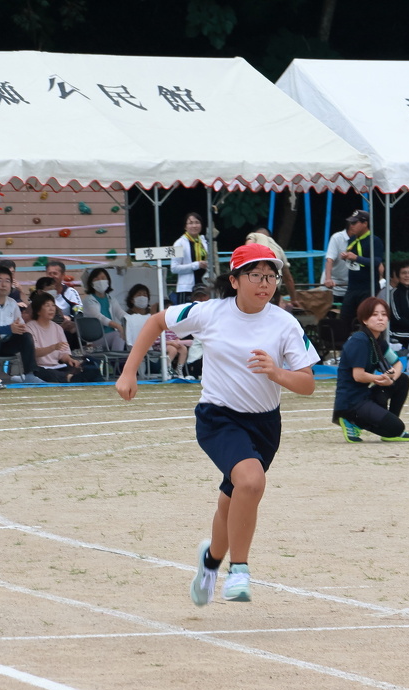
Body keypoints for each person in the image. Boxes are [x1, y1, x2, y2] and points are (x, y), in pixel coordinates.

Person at [115, 243, 319, 605]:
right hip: (219, 417)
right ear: (235, 280)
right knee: (251, 482)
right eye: (255, 275)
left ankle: (209, 563)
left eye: (270, 276)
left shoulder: (284, 323)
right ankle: (239, 570)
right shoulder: (210, 312)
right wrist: (129, 372)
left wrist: (276, 372)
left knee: (232, 501)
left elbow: (307, 384)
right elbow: (156, 321)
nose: (265, 283)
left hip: (265, 425)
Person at [332, 297, 409, 444]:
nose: (380, 318)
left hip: (365, 395)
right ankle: (351, 420)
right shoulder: (359, 340)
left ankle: (391, 425)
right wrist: (380, 379)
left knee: (402, 379)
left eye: (384, 315)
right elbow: (358, 376)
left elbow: (398, 364)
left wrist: (390, 378)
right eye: (374, 314)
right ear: (365, 320)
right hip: (351, 402)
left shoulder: (378, 342)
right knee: (397, 428)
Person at [26, 292, 102, 383]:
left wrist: (69, 360)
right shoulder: (29, 327)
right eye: (47, 305)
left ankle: (72, 377)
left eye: (53, 305)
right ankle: (70, 378)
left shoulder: (57, 328)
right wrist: (53, 347)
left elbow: (63, 353)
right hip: (40, 368)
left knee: (82, 368)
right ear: (38, 310)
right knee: (45, 373)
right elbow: (34, 353)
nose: (51, 309)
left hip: (57, 366)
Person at [336, 209, 383, 334]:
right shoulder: (352, 240)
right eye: (350, 223)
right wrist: (346, 256)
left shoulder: (374, 240)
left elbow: (377, 262)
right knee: (345, 319)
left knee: (366, 320)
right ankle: (345, 343)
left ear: (365, 223)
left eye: (354, 223)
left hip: (368, 287)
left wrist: (357, 258)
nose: (351, 226)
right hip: (352, 287)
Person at [246, 227, 299, 301]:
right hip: (273, 287)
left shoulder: (255, 235)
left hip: (255, 283)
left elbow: (247, 250)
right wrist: (294, 299)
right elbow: (288, 278)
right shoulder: (279, 248)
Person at [82, 267, 127, 351]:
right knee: (118, 335)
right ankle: (117, 359)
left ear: (108, 281)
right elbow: (99, 317)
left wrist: (132, 320)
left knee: (126, 334)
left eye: (103, 278)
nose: (100, 281)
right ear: (91, 283)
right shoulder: (89, 300)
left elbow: (120, 313)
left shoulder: (111, 299)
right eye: (96, 279)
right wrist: (117, 326)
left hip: (111, 336)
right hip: (96, 339)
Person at [170, 212, 209, 304]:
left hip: (205, 286)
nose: (194, 226)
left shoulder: (204, 241)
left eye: (197, 222)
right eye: (190, 223)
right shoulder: (179, 243)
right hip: (187, 288)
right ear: (185, 226)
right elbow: (174, 268)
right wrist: (196, 265)